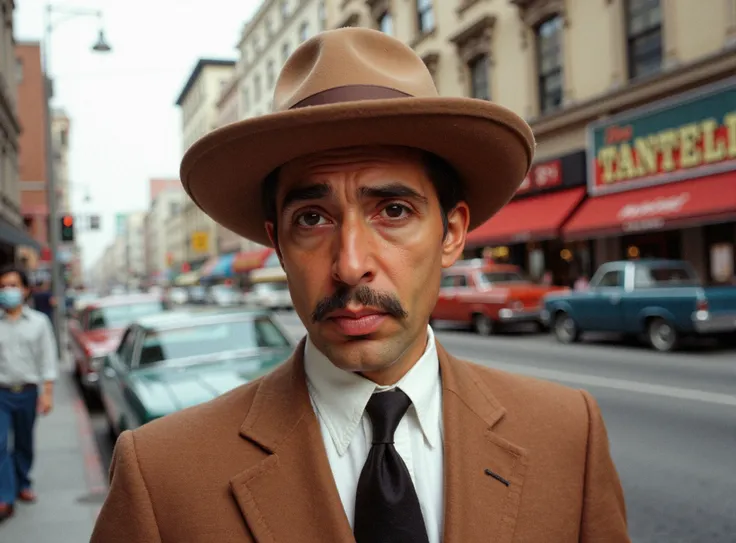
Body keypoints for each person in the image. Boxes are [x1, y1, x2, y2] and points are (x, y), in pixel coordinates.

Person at [91, 28, 630, 542]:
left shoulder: (567, 434)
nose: (350, 265)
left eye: (393, 210)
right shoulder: (162, 475)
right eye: (312, 219)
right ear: (277, 244)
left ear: (452, 233)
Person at [0, 265, 58, 523]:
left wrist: (47, 394)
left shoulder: (39, 322)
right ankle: (5, 496)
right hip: (0, 394)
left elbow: (47, 360)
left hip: (28, 393)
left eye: (12, 285)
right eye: (2, 286)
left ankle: (23, 482)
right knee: (0, 445)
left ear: (24, 290)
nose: (7, 291)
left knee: (24, 443)